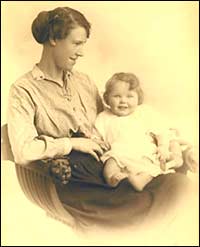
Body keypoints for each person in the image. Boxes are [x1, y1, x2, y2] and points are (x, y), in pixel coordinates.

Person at [7, 6, 196, 231]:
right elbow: (23, 150)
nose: (81, 52)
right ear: (53, 39)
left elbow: (116, 123)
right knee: (156, 201)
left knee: (179, 187)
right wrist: (73, 143)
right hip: (73, 181)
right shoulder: (24, 89)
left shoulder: (84, 82)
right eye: (76, 43)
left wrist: (177, 146)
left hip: (108, 170)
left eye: (83, 45)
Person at [94, 72, 197, 191]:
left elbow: (161, 131)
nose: (123, 101)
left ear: (138, 98)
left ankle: (142, 180)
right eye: (117, 96)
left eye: (129, 96)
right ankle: (117, 179)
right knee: (109, 167)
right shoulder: (103, 117)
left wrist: (162, 147)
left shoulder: (143, 113)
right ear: (107, 98)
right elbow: (96, 135)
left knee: (150, 168)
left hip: (143, 150)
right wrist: (99, 142)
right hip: (118, 153)